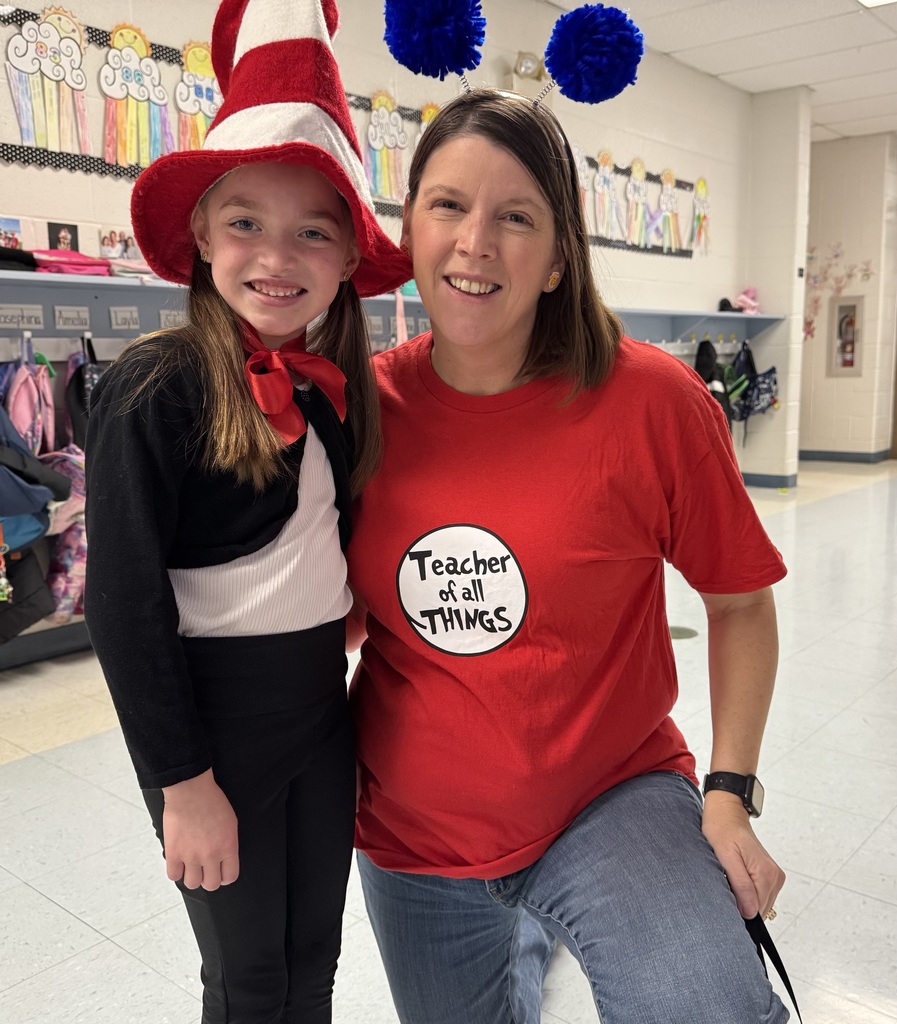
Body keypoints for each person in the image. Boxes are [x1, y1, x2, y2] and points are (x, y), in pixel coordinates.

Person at [347, 89, 791, 1024]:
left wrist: (728, 793)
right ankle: (525, 934)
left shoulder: (651, 402)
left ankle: (540, 920)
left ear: (556, 259)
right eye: (447, 205)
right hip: (413, 827)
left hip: (610, 793)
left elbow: (741, 602)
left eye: (515, 217)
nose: (475, 242)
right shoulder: (356, 410)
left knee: (708, 1007)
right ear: (408, 229)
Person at [84, 1, 409, 1022]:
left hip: (321, 713)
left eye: (314, 229)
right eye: (246, 223)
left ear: (351, 258)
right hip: (207, 728)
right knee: (247, 976)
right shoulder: (155, 385)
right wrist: (182, 784)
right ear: (199, 239)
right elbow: (124, 604)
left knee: (313, 957)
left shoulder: (335, 389)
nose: (280, 254)